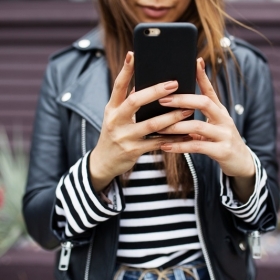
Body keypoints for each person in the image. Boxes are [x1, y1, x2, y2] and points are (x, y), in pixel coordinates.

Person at [23, 0, 279, 279]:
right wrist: (96, 170)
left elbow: (265, 216)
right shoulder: (65, 72)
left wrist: (244, 172)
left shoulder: (244, 68)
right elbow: (41, 228)